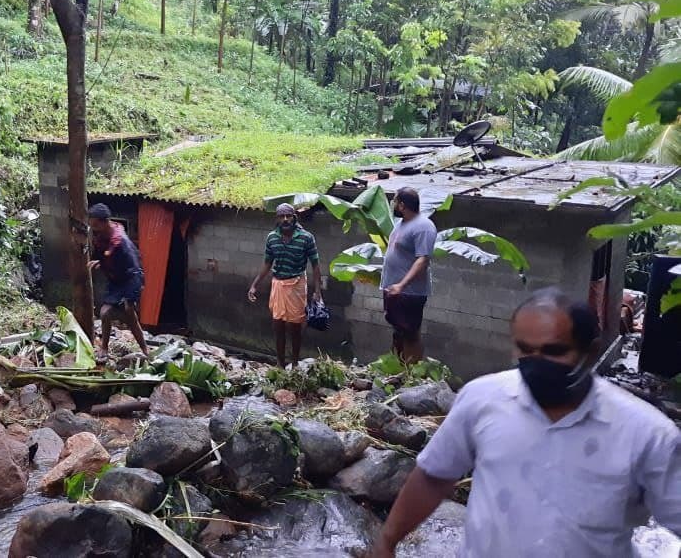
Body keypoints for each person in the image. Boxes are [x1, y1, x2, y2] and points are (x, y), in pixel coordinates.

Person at [371, 288, 680, 558]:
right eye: (526, 350)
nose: (537, 362)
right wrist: (387, 540)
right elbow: (434, 477)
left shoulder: (646, 434)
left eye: (553, 351)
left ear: (591, 351)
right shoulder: (482, 400)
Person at [248, 203, 322, 367]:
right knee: (278, 325)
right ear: (277, 219)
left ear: (294, 218)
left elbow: (316, 265)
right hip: (278, 285)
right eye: (282, 216)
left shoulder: (306, 238)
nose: (285, 219)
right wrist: (254, 285)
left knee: (295, 327)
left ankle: (295, 364)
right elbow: (267, 264)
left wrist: (318, 291)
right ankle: (280, 364)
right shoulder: (272, 237)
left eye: (288, 216)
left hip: (296, 285)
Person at [381, 187, 437, 364]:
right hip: (394, 289)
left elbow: (422, 260)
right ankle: (398, 369)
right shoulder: (402, 223)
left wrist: (402, 285)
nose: (394, 205)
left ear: (403, 205)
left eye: (395, 202)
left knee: (411, 333)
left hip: (410, 292)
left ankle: (412, 375)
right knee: (398, 331)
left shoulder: (424, 227)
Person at [87, 203, 149, 358]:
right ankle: (104, 349)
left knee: (129, 311)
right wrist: (100, 262)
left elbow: (133, 267)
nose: (92, 229)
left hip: (130, 277)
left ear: (104, 222)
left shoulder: (120, 242)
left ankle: (145, 350)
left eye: (95, 225)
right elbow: (102, 255)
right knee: (105, 313)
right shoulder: (101, 235)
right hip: (115, 280)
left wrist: (103, 263)